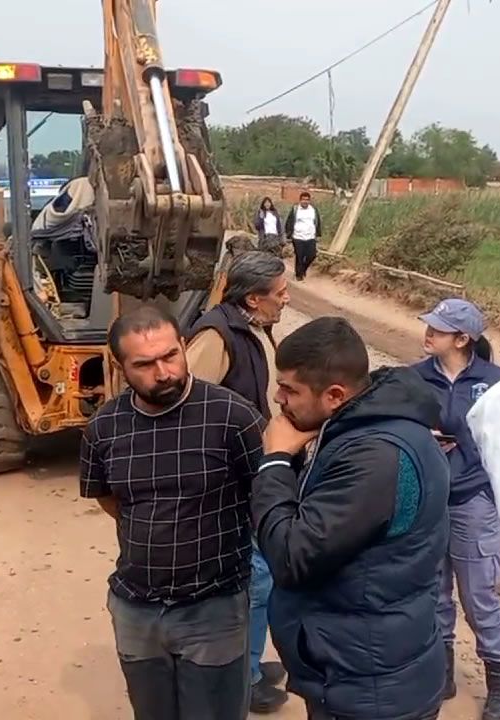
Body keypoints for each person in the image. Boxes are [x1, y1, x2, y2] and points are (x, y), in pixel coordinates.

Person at [252, 316, 450, 720]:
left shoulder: (373, 458)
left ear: (336, 395)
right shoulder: (372, 428)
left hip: (368, 690)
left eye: (290, 389)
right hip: (366, 667)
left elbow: (292, 558)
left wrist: (275, 462)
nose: (278, 399)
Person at [80, 304, 264, 720]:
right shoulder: (104, 429)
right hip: (136, 609)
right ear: (120, 365)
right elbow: (109, 499)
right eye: (145, 364)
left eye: (171, 356)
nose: (163, 373)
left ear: (184, 346)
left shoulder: (232, 416)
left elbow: (265, 494)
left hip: (213, 608)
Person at [186, 251, 291, 714]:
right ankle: (242, 678)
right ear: (254, 297)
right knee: (256, 577)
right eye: (281, 293)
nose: (287, 299)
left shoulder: (251, 327)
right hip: (232, 479)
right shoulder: (215, 335)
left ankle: (248, 662)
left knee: (262, 575)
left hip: (257, 469)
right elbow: (188, 406)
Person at [413, 299, 500, 720]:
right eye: (429, 325)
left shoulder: (497, 383)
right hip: (430, 498)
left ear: (462, 338)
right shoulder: (414, 379)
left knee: (480, 597)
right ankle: (443, 672)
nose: (428, 332)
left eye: (438, 328)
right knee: (434, 591)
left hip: (473, 500)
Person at [284, 191, 322, 282]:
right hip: (298, 236)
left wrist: (318, 234)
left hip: (310, 236)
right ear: (300, 200)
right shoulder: (295, 210)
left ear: (309, 201)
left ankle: (303, 269)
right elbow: (289, 222)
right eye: (303, 200)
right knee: (299, 256)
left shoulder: (313, 210)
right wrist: (288, 234)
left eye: (307, 200)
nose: (305, 201)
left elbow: (317, 222)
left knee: (312, 255)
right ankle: (298, 275)